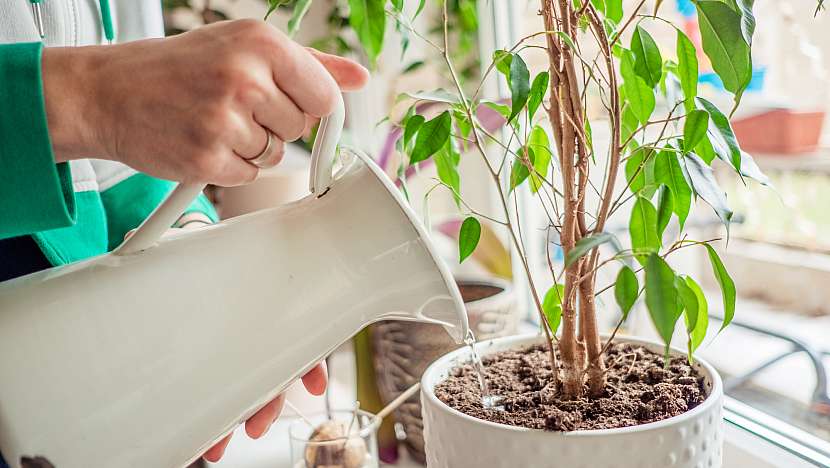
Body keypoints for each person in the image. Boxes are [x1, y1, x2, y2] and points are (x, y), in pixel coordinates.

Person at [0, 1, 369, 465]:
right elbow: (111, 106)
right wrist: (90, 97)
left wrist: (194, 245)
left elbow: (112, 169)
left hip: (87, 382)